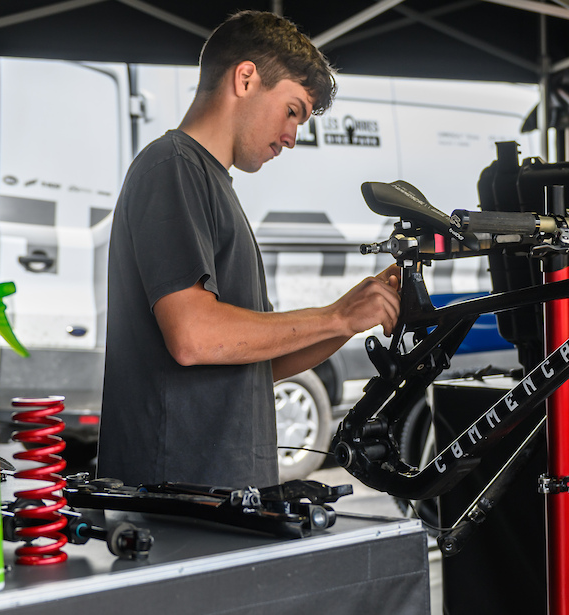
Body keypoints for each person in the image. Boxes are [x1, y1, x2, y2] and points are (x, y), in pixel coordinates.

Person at [96, 10, 400, 489]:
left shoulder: (211, 183)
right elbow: (194, 337)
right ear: (245, 78)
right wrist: (335, 316)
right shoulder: (173, 167)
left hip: (223, 495)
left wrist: (353, 316)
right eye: (293, 110)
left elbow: (260, 363)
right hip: (178, 502)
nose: (292, 138)